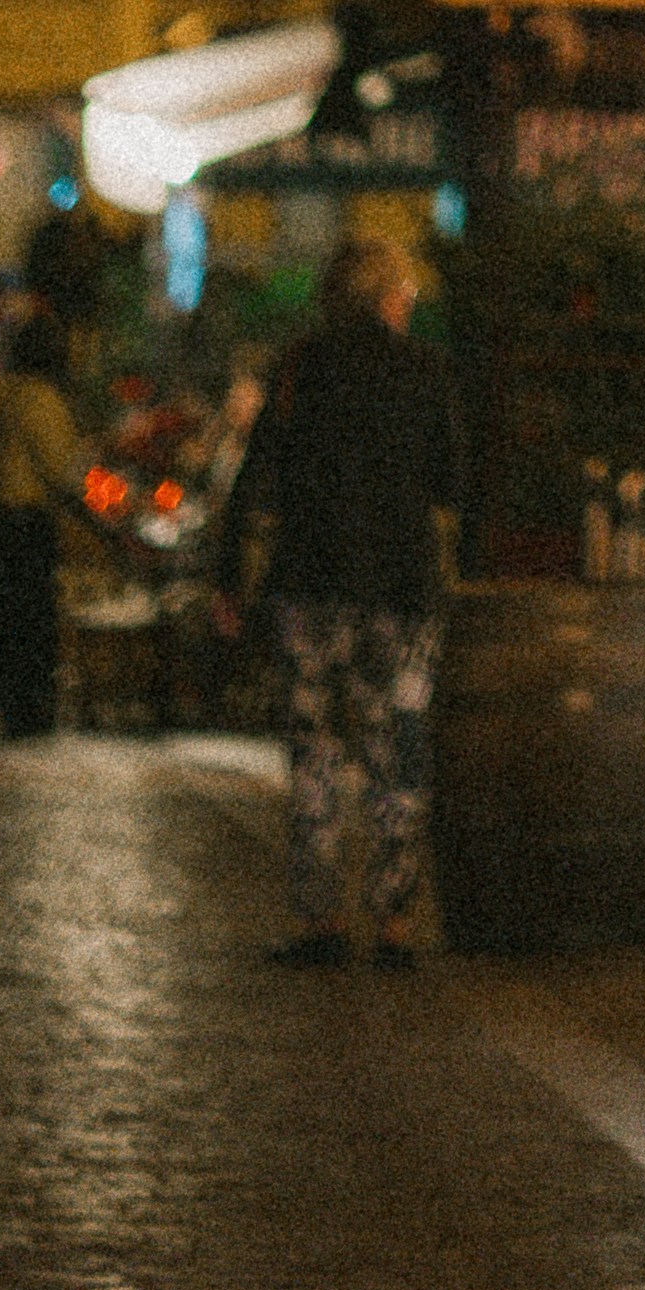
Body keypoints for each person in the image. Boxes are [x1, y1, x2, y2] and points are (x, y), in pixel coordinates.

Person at [214, 213, 459, 965]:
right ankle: (393, 923)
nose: (410, 300)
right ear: (386, 297)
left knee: (314, 751)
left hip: (310, 584)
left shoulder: (298, 367)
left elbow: (255, 479)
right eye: (405, 289)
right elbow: (450, 479)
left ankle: (320, 921)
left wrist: (229, 578)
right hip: (398, 588)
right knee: (396, 751)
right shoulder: (423, 370)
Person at [0, 302, 88, 738]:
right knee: (31, 618)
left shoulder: (4, 394)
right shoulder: (42, 400)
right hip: (28, 520)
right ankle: (26, 709)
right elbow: (59, 469)